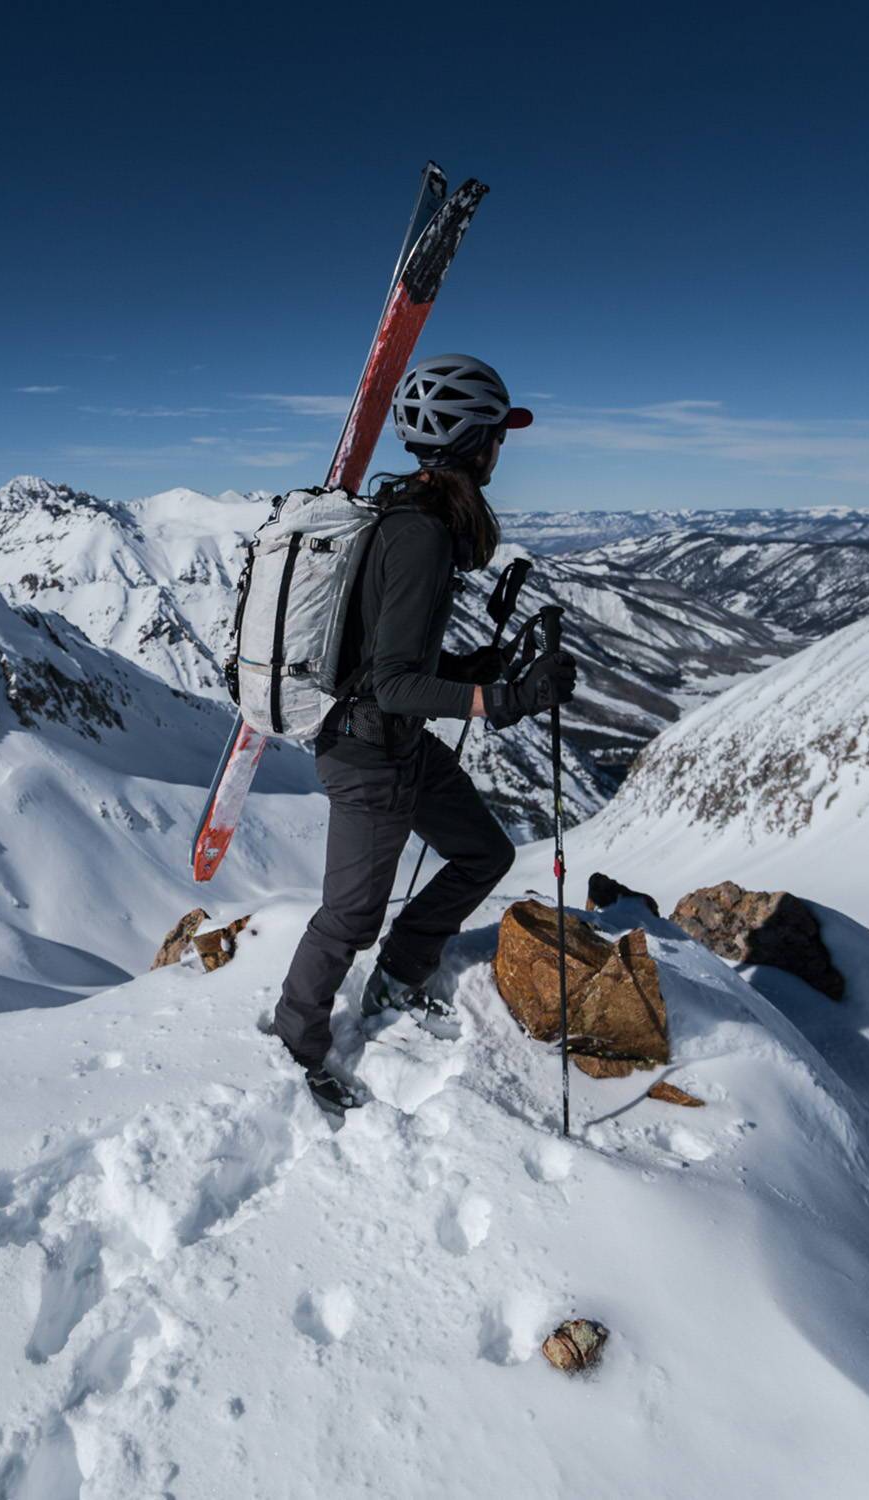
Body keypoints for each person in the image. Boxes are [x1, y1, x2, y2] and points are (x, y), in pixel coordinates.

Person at [273, 353, 579, 1113]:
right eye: (497, 435)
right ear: (474, 440)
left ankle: (401, 974)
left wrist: (474, 665)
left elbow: (395, 657)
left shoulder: (418, 520)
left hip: (395, 742)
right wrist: (504, 697)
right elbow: (396, 682)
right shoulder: (420, 536)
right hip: (366, 753)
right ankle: (297, 1049)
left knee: (484, 852)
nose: (500, 449)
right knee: (349, 915)